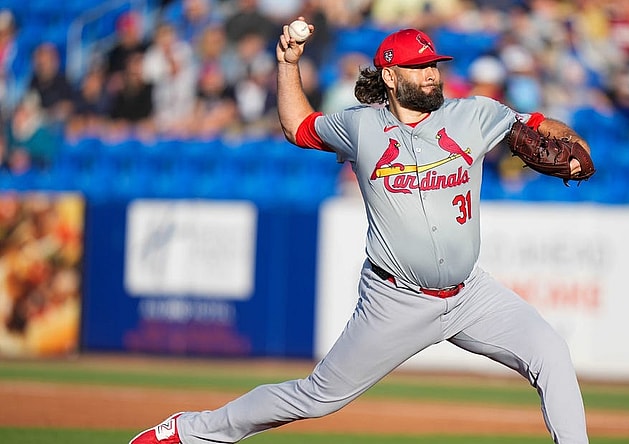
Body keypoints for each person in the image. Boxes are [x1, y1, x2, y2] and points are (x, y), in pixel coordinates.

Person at [129, 19, 591, 444]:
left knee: (550, 351)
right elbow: (298, 127)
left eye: (433, 64)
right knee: (315, 397)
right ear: (390, 76)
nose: (430, 74)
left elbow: (538, 125)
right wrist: (288, 64)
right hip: (397, 299)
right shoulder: (361, 126)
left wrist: (572, 147)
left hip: (470, 293)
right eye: (417, 67)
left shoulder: (474, 114)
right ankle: (188, 431)